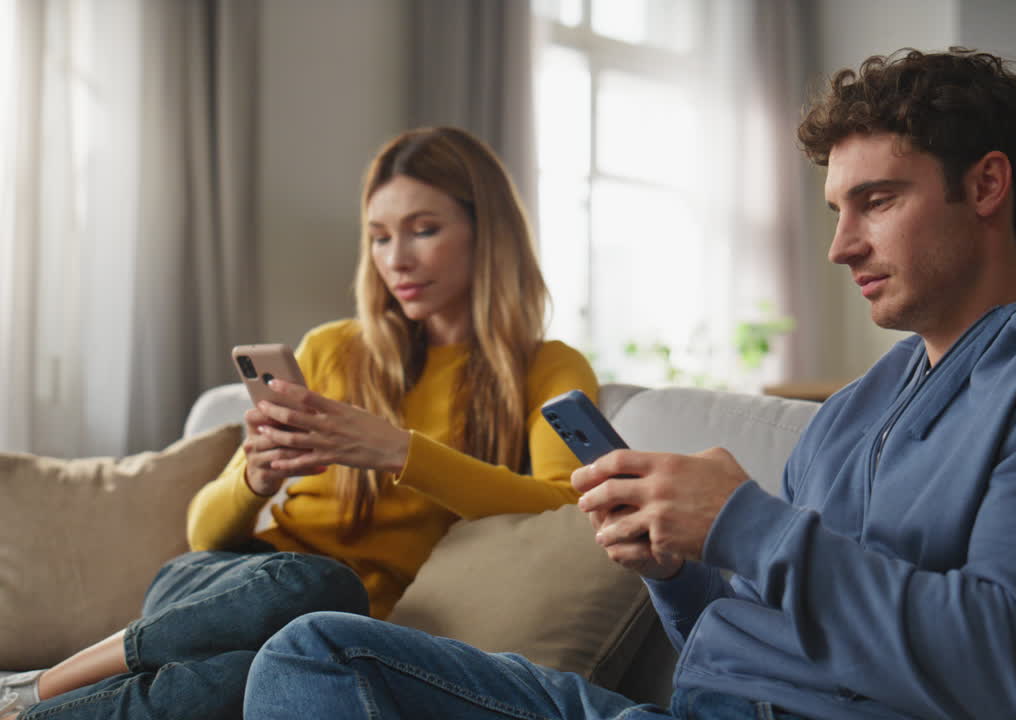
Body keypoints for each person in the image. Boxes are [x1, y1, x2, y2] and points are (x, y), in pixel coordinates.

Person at [239, 49, 1016, 720]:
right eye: (836, 207)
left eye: (878, 200)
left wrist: (744, 521)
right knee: (317, 650)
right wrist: (677, 568)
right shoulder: (859, 408)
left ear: (988, 187)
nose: (840, 245)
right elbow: (754, 633)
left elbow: (1009, 667)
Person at [0, 126, 598, 720]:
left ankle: (26, 710)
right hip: (221, 584)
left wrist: (397, 451)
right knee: (321, 587)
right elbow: (203, 534)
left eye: (424, 230)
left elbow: (561, 506)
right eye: (380, 238)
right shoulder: (334, 348)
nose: (397, 260)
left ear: (487, 232)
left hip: (323, 630)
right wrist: (253, 480)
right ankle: (44, 684)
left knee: (261, 673)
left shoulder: (546, 368)